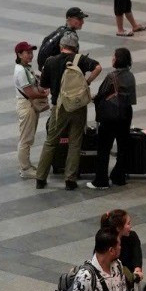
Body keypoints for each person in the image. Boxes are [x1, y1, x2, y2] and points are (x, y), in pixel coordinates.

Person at [35, 33, 100, 190]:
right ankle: (70, 180)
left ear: (60, 46)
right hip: (78, 106)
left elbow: (44, 86)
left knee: (51, 141)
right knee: (75, 142)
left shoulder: (50, 61)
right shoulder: (80, 60)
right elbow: (98, 67)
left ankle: (40, 178)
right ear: (75, 47)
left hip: (59, 107)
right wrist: (87, 82)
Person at [91, 47, 136, 189]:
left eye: (114, 56)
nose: (112, 58)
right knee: (123, 146)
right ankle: (119, 176)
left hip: (110, 116)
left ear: (117, 59)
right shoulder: (130, 75)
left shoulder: (112, 76)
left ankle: (101, 180)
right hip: (126, 113)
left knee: (104, 147)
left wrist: (94, 98)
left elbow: (101, 93)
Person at [12, 41, 47, 180]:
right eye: (27, 53)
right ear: (19, 54)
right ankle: (25, 169)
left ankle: (27, 165)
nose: (31, 55)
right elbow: (30, 93)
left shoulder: (26, 68)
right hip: (26, 106)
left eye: (31, 52)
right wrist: (44, 94)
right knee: (26, 139)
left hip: (29, 104)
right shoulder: (21, 71)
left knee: (28, 137)